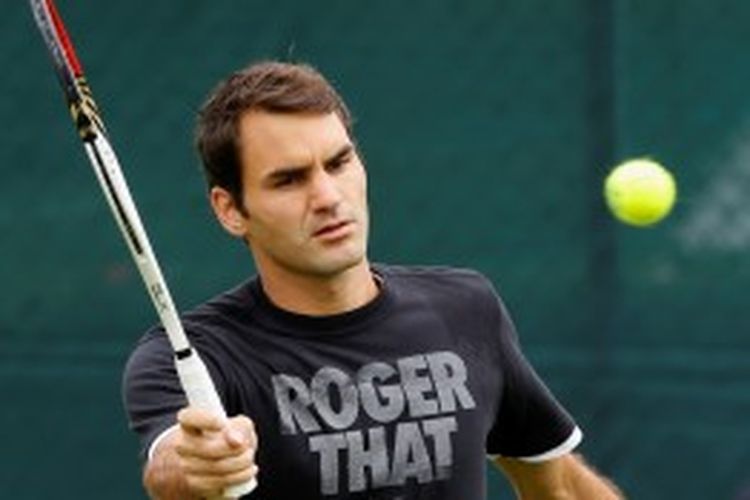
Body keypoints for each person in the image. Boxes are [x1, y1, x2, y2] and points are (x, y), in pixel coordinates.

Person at [122, 60, 624, 499]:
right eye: (289, 179)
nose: (327, 197)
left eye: (339, 163)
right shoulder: (191, 356)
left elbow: (558, 488)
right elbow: (171, 467)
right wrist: (196, 463)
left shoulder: (466, 310)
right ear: (231, 210)